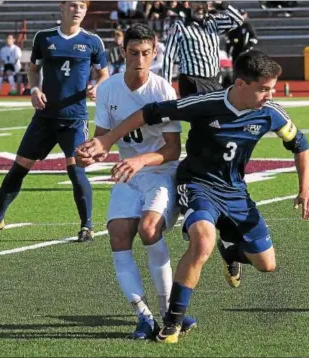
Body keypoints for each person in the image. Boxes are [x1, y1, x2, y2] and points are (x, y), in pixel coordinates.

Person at [76, 50, 309, 343]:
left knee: (267, 264)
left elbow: (300, 145)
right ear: (241, 84)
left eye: (273, 88)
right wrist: (107, 139)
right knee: (203, 240)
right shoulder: (205, 104)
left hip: (236, 192)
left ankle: (230, 249)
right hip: (197, 185)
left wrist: (306, 189)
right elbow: (149, 112)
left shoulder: (271, 113)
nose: (270, 94)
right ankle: (173, 321)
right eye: (264, 88)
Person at [89, 23, 196, 340]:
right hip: (128, 173)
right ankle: (143, 316)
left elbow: (172, 150)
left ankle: (169, 314)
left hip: (159, 173)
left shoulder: (162, 90)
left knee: (149, 228)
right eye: (133, 53)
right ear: (123, 52)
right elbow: (102, 142)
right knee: (118, 233)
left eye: (146, 53)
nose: (139, 59)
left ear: (155, 53)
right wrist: (91, 151)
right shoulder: (108, 89)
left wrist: (137, 160)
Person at [0, 1, 109, 240]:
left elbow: (104, 74)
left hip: (74, 119)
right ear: (62, 7)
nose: (78, 11)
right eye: (73, 5)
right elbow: (33, 69)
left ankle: (87, 227)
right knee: (19, 167)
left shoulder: (93, 41)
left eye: (82, 7)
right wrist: (34, 90)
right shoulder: (43, 37)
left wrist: (98, 86)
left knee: (76, 171)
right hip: (44, 118)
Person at [162, 1, 243, 97]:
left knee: (217, 110)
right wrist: (166, 86)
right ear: (189, 5)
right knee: (195, 111)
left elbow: (238, 20)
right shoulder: (179, 26)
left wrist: (222, 4)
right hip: (192, 80)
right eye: (197, 4)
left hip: (213, 80)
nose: (200, 7)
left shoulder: (214, 22)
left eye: (203, 4)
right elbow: (168, 57)